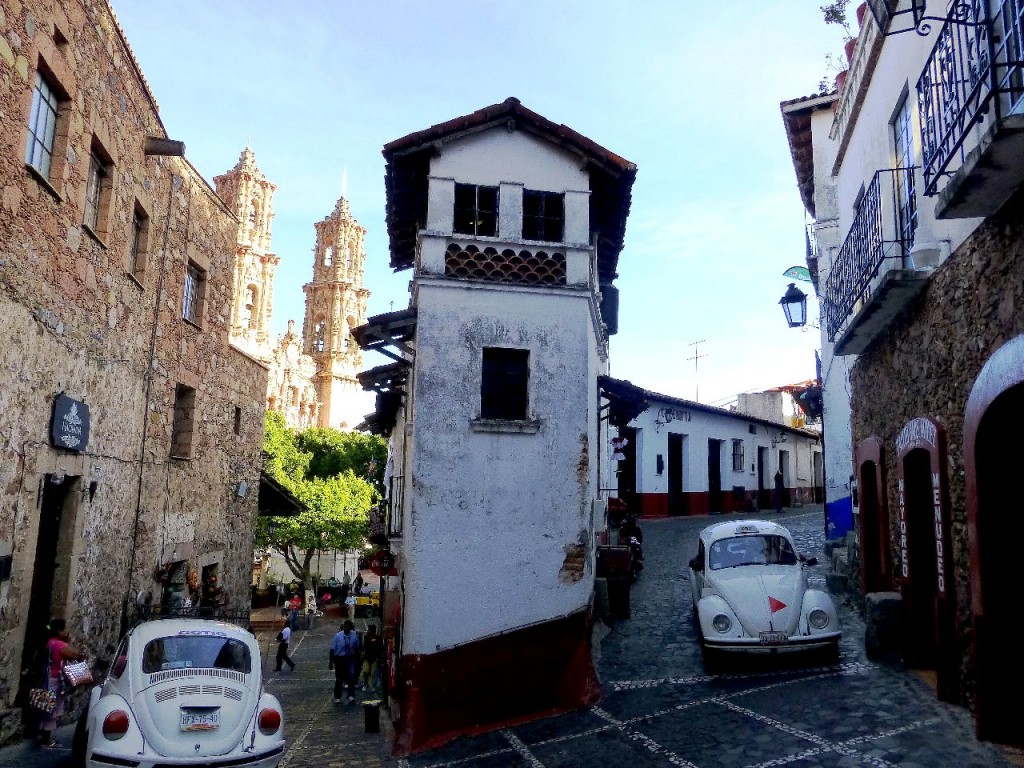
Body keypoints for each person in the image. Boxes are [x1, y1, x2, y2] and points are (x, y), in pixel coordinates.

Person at [37, 618, 86, 749]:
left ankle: (42, 736)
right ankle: (46, 741)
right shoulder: (59, 645)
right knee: (51, 711)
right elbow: (75, 655)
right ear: (59, 630)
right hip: (54, 680)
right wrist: (68, 642)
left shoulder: (49, 643)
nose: (66, 631)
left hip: (45, 679)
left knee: (45, 708)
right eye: (64, 629)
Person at [329, 620, 361, 704]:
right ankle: (338, 696)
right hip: (339, 658)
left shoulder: (354, 635)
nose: (346, 629)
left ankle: (351, 696)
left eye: (348, 627)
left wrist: (357, 660)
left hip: (350, 658)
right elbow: (332, 649)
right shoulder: (338, 636)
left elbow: (357, 647)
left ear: (350, 628)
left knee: (351, 677)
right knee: (339, 678)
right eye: (345, 627)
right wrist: (331, 662)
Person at [359, 624, 383, 693]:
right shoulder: (366, 637)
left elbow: (380, 648)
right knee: (366, 671)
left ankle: (372, 685)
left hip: (374, 658)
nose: (369, 631)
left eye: (370, 630)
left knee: (373, 673)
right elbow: (364, 647)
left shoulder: (378, 638)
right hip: (367, 658)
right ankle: (365, 683)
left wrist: (379, 657)